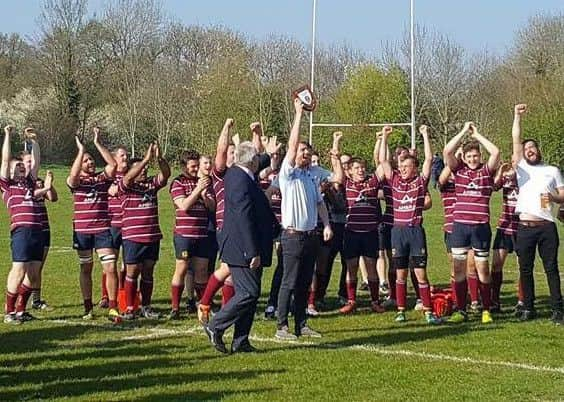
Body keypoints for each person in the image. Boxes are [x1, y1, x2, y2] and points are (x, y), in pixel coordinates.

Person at [204, 141, 277, 354]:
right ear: (251, 161)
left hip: (251, 244)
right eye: (258, 158)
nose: (260, 161)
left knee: (251, 295)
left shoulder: (244, 172)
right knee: (248, 292)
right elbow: (242, 216)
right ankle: (215, 326)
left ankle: (241, 340)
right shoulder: (237, 178)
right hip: (241, 246)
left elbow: (257, 161)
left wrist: (268, 153)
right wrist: (251, 251)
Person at [274, 98, 336, 340]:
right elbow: (291, 146)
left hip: (311, 235)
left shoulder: (311, 176)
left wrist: (327, 224)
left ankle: (301, 324)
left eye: (308, 151)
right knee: (288, 282)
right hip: (292, 236)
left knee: (303, 283)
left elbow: (334, 183)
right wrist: (299, 113)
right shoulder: (288, 174)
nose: (305, 154)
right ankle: (281, 327)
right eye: (302, 151)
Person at [380, 125, 442, 324]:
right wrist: (384, 138)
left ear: (414, 167)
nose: (403, 169)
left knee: (421, 274)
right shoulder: (395, 181)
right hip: (397, 232)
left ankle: (428, 311)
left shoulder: (420, 182)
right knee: (400, 274)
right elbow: (383, 161)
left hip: (415, 232)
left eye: (407, 166)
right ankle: (400, 310)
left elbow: (430, 160)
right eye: (401, 166)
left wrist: (424, 135)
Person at [511, 104, 563, 324]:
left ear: (538, 150)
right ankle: (528, 308)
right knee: (525, 268)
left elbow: (563, 195)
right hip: (525, 227)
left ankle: (558, 309)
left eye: (532, 147)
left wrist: (553, 198)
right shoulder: (522, 168)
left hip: (546, 226)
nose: (529, 150)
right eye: (526, 148)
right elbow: (516, 139)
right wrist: (517, 116)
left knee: (551, 267)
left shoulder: (552, 170)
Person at [443, 122, 500, 324]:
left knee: (482, 269)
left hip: (480, 227)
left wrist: (477, 135)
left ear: (479, 157)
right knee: (459, 270)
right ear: (464, 158)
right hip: (460, 227)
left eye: (475, 156)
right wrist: (462, 132)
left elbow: (496, 152)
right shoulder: (458, 171)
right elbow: (447, 150)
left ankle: (486, 309)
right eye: (469, 157)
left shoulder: (486, 171)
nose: (472, 159)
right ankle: (461, 309)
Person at [67, 127, 118, 321]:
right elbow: (72, 176)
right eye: (86, 160)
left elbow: (112, 165)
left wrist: (97, 143)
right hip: (82, 231)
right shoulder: (76, 182)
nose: (90, 162)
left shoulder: (101, 179)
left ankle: (113, 307)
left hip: (102, 230)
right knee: (86, 268)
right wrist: (80, 151)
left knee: (111, 267)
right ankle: (88, 307)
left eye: (91, 160)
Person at [334, 131, 385, 315]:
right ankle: (351, 300)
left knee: (371, 267)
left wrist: (382, 139)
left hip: (370, 232)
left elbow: (381, 164)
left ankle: (375, 301)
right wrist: (337, 141)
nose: (361, 170)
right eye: (357, 168)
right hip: (352, 233)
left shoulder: (372, 182)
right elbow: (336, 164)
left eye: (362, 167)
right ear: (350, 170)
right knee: (352, 267)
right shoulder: (346, 183)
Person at [119, 142, 170, 320]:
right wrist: (145, 159)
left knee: (148, 271)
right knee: (132, 271)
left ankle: (146, 306)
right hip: (133, 237)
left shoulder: (151, 185)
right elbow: (127, 179)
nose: (144, 171)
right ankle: (130, 308)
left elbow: (166, 175)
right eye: (140, 169)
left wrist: (159, 159)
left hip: (152, 235)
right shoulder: (126, 186)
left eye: (146, 168)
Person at [2, 125, 44, 324]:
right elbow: (4, 160)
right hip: (21, 231)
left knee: (34, 274)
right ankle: (9, 312)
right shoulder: (7, 185)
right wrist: (8, 135)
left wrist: (34, 140)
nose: (21, 167)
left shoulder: (29, 182)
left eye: (21, 165)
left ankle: (21, 310)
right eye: (16, 166)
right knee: (19, 270)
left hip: (37, 230)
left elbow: (35, 162)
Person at [169, 150, 215, 319]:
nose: (197, 169)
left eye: (197, 165)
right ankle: (175, 307)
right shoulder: (178, 183)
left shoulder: (204, 182)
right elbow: (183, 206)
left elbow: (212, 206)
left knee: (202, 270)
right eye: (193, 166)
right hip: (184, 234)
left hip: (202, 233)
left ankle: (203, 306)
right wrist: (197, 191)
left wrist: (204, 194)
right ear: (184, 167)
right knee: (181, 268)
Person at [101, 145, 129, 307]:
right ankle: (106, 296)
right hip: (112, 224)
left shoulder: (131, 176)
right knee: (110, 262)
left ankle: (123, 294)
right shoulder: (109, 176)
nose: (125, 158)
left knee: (127, 263)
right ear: (114, 158)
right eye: (122, 155)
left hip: (129, 225)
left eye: (126, 155)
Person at [491, 161, 519, 313]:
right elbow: (493, 187)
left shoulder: (530, 178)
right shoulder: (506, 178)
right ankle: (494, 301)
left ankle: (523, 301)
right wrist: (500, 172)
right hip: (505, 226)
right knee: (496, 264)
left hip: (523, 227)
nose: (514, 163)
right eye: (513, 160)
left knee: (523, 266)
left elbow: (543, 199)